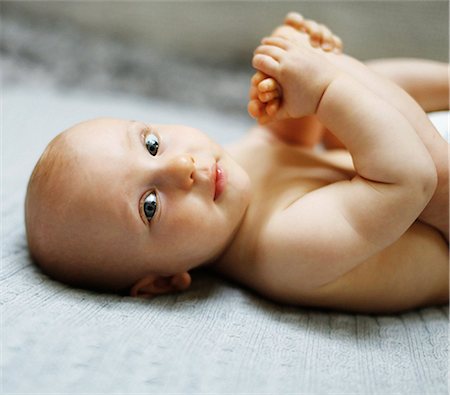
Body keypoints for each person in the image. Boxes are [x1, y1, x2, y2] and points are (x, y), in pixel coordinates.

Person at [25, 13, 449, 313]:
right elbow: (412, 180)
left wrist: (289, 74)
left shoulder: (230, 171)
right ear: (164, 280)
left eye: (152, 144)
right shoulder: (282, 249)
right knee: (391, 133)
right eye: (149, 206)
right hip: (437, 213)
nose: (181, 168)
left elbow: (289, 135)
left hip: (412, 152)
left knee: (342, 113)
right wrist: (326, 86)